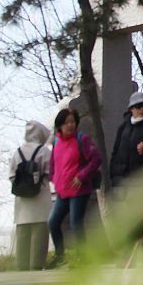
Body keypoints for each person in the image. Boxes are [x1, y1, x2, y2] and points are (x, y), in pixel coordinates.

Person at [46, 107, 101, 267]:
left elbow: (96, 159)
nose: (70, 125)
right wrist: (53, 178)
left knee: (75, 223)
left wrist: (81, 176)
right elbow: (53, 163)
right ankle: (59, 255)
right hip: (62, 191)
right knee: (53, 222)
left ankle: (82, 257)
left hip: (79, 190)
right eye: (66, 123)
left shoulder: (81, 140)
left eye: (72, 122)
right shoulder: (56, 141)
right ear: (60, 125)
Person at [10, 120, 53, 271]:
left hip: (21, 200)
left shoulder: (17, 152)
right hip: (40, 198)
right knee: (39, 232)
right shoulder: (44, 151)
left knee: (23, 233)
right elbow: (51, 173)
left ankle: (22, 266)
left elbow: (11, 176)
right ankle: (36, 266)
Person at [110, 91, 143, 189]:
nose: (142, 109)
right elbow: (115, 152)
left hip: (142, 179)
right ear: (131, 108)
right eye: (138, 106)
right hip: (121, 179)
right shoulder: (123, 127)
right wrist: (114, 174)